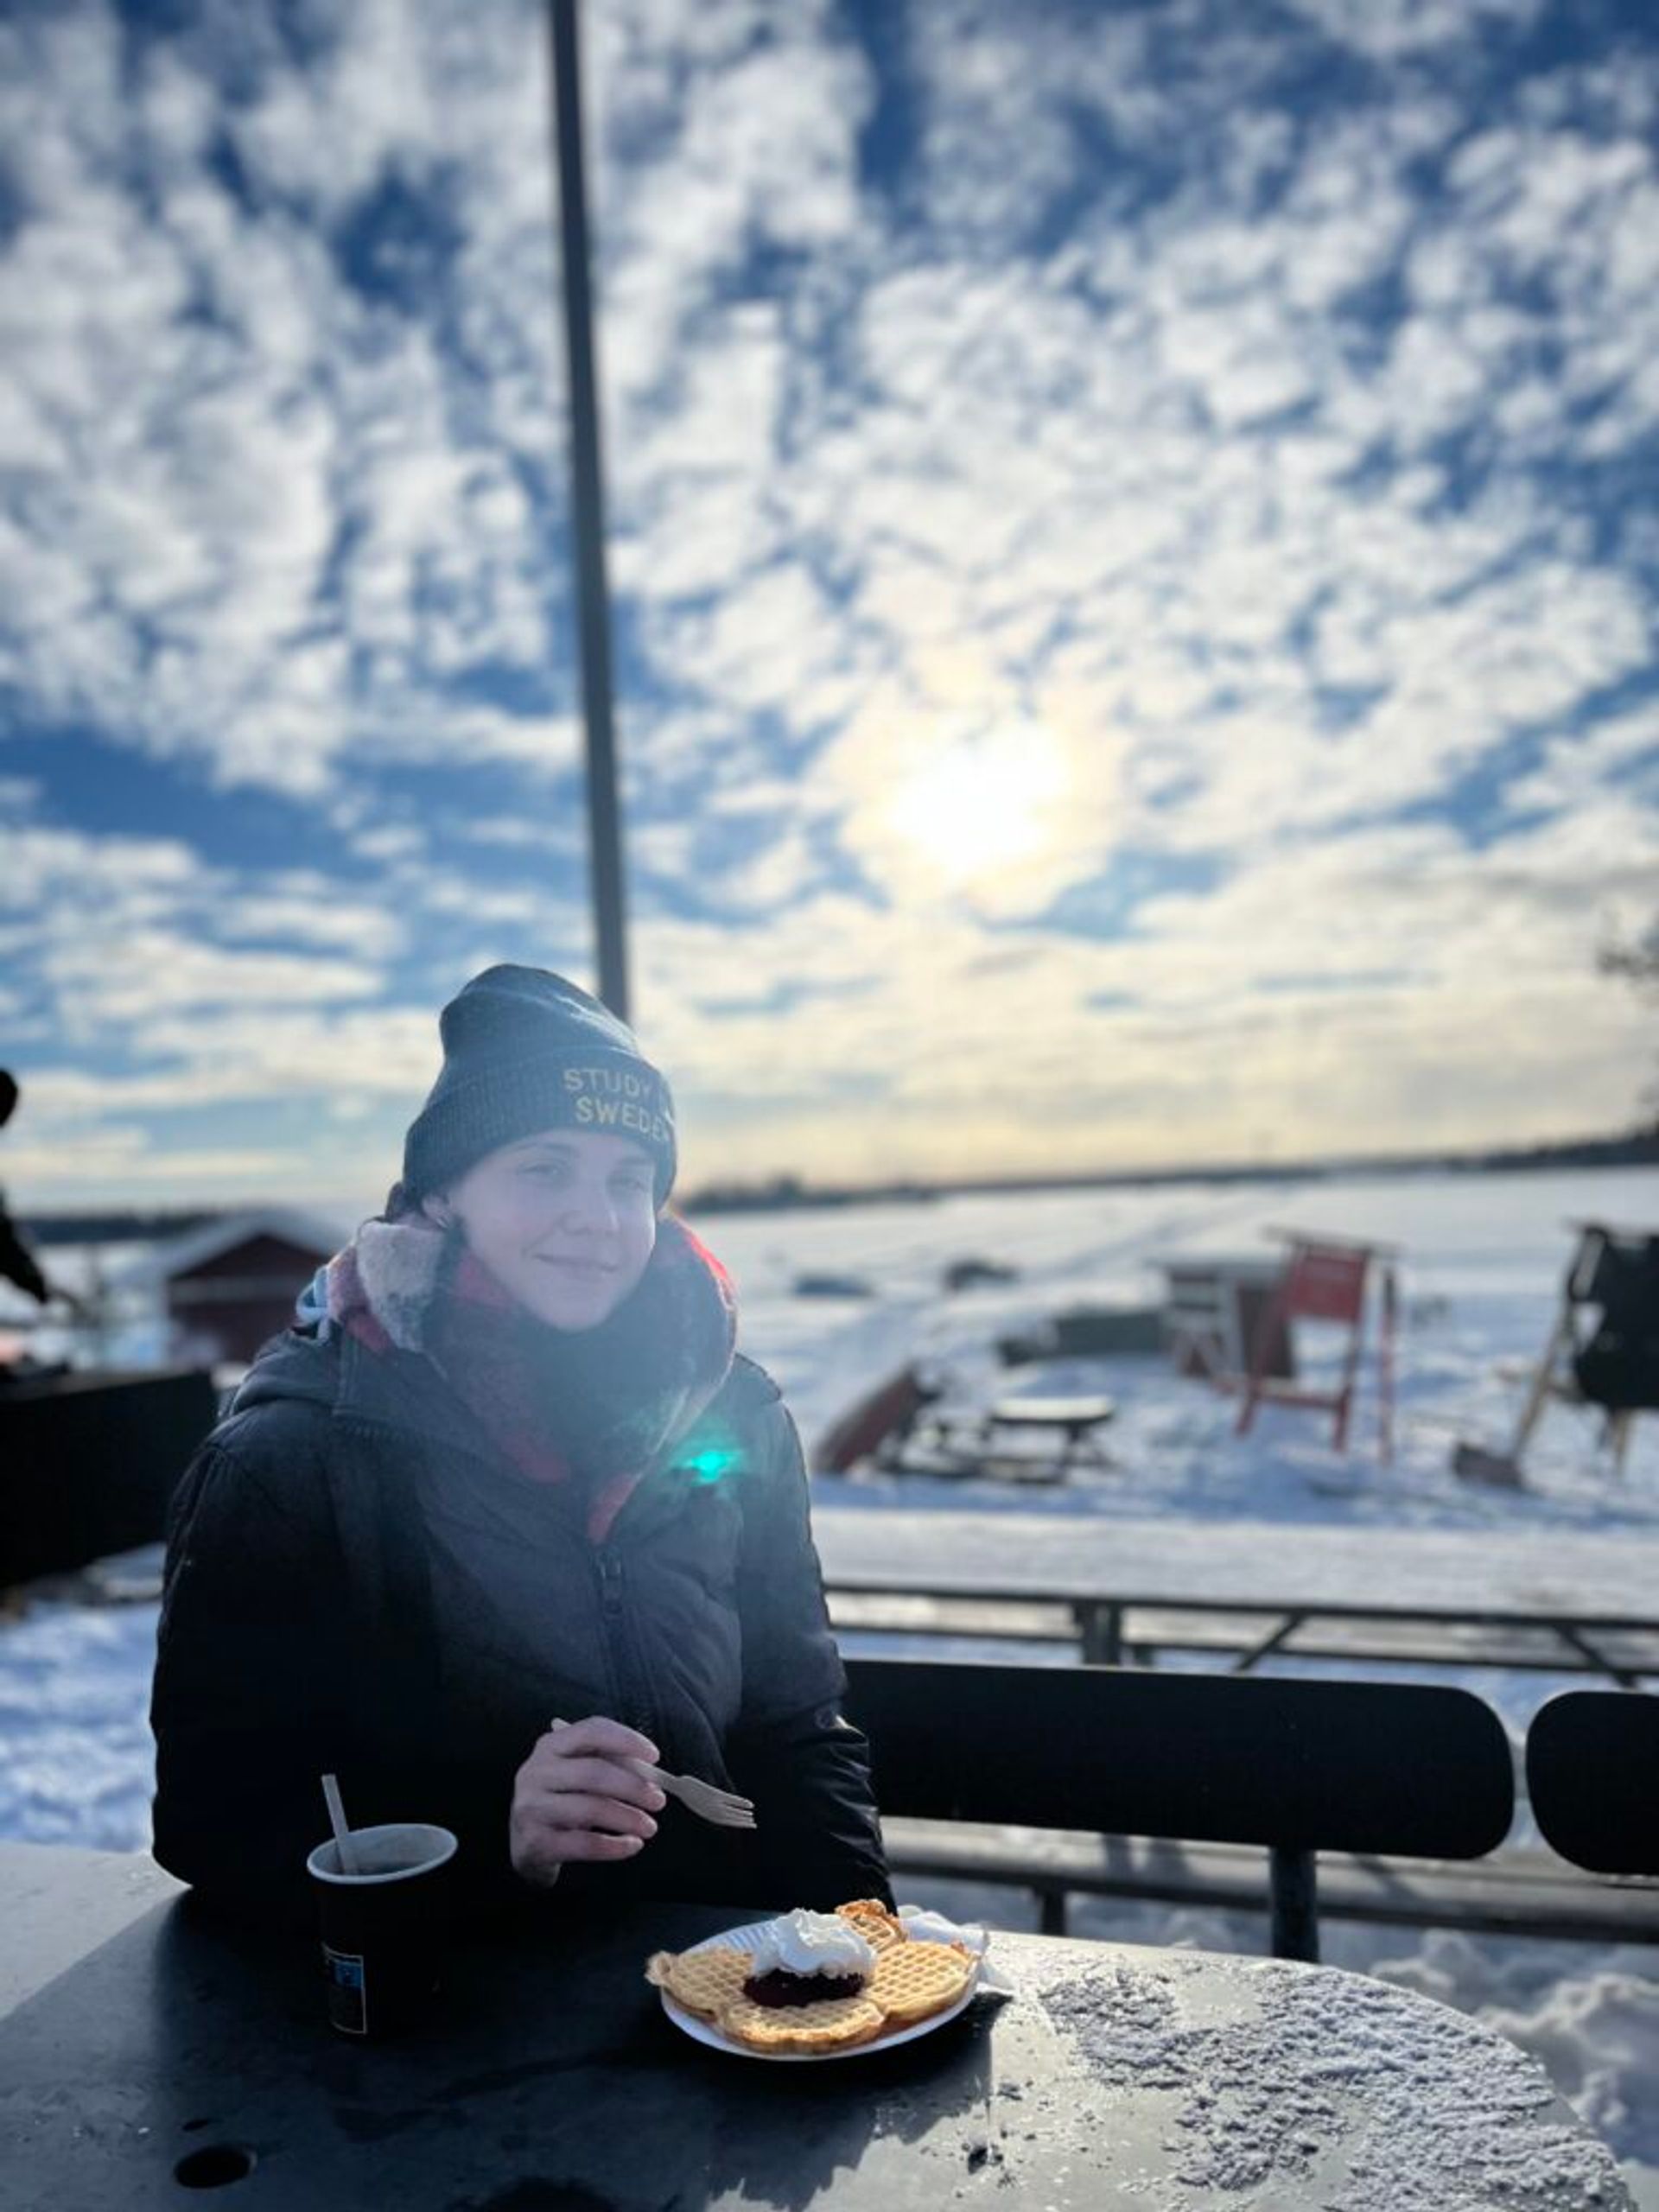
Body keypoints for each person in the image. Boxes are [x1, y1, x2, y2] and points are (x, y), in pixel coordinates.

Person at [150, 966, 891, 1929]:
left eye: (629, 1179)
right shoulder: (291, 1458)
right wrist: (490, 1833)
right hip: (449, 2030)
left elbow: (796, 1725)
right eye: (544, 1167)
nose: (597, 1215)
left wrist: (868, 1951)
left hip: (727, 2004)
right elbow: (213, 1822)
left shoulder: (728, 1409)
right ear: (441, 1197)